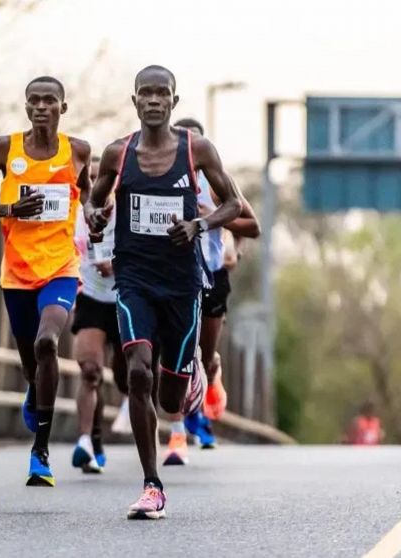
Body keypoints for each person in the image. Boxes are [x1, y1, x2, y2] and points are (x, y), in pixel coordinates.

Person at [86, 65, 241, 519]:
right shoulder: (118, 153)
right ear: (134, 101)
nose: (153, 100)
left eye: (162, 94)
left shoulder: (198, 150)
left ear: (174, 102)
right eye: (145, 94)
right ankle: (152, 484)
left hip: (181, 283)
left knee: (170, 398)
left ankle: (191, 373)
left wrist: (199, 224)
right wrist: (96, 215)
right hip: (133, 278)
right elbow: (95, 201)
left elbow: (233, 203)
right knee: (138, 372)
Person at [0, 76, 91, 487]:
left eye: (49, 100)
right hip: (16, 274)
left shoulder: (78, 151)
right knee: (32, 366)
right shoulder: (6, 149)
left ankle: (41, 451)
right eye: (33, 100)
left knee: (47, 342)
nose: (40, 107)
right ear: (26, 106)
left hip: (61, 268)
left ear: (62, 108)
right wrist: (10, 208)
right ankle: (36, 390)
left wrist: (97, 215)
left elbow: (87, 195)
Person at [174, 117, 260, 452]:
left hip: (211, 273)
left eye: (195, 141)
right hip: (173, 275)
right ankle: (189, 420)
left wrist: (231, 245)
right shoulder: (158, 175)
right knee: (178, 353)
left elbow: (251, 225)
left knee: (204, 356)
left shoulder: (213, 181)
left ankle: (211, 379)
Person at [70, 156, 129, 474]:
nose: (94, 184)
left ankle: (117, 413)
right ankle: (87, 441)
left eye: (100, 177)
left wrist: (117, 265)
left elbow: (144, 250)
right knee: (90, 371)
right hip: (90, 297)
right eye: (88, 178)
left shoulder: (126, 210)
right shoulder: (74, 212)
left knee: (124, 377)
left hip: (124, 298)